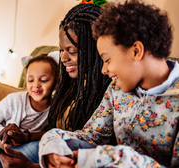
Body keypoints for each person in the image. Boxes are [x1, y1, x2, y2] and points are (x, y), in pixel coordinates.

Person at [0, 3, 111, 168]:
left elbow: (87, 145)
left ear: (93, 49)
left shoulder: (109, 88)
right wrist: (27, 136)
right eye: (61, 50)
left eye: (71, 51)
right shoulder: (66, 73)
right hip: (42, 145)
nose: (63, 58)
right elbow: (54, 129)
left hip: (65, 156)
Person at [39, 0, 179, 167]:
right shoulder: (116, 88)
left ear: (136, 51)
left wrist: (111, 157)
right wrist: (51, 142)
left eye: (107, 60)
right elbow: (91, 136)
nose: (103, 70)